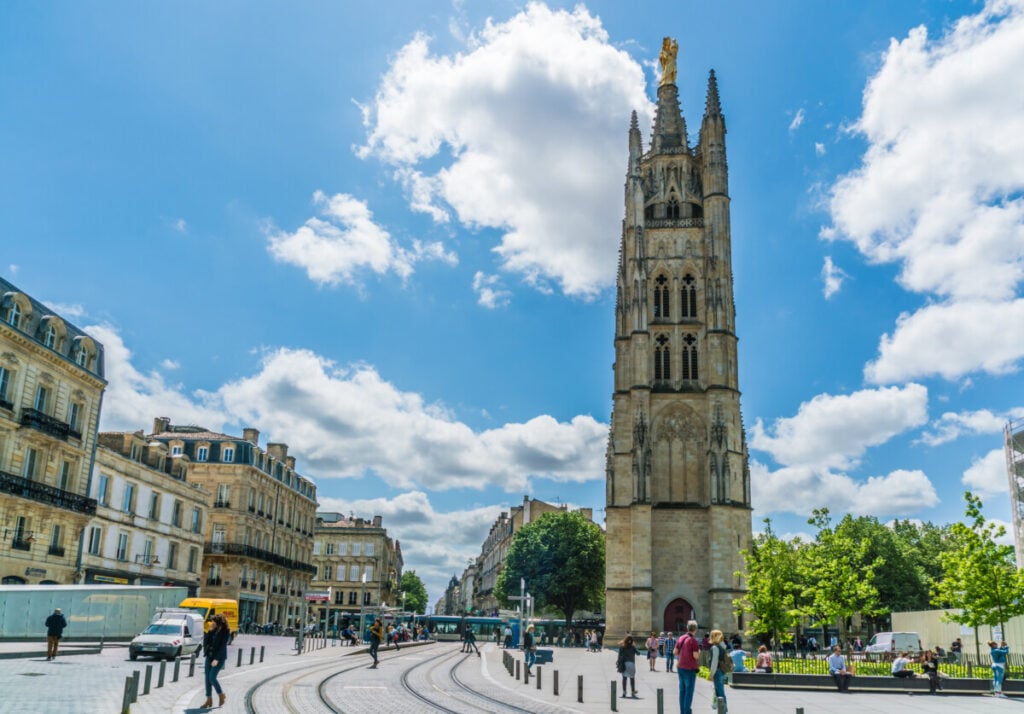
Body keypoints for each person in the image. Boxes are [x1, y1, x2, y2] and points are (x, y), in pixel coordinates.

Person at [202, 614, 230, 709]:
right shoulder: (212, 630)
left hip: (219, 658)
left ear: (218, 622)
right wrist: (209, 632)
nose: (212, 623)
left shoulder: (225, 631)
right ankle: (209, 699)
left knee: (212, 677)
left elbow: (223, 646)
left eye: (214, 621)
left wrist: (217, 659)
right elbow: (205, 643)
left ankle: (221, 695)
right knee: (207, 679)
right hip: (209, 657)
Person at [675, 620, 700, 714]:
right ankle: (686, 712)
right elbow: (696, 656)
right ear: (695, 629)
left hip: (680, 667)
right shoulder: (693, 640)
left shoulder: (681, 638)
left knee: (682, 691)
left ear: (687, 628)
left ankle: (683, 711)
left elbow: (675, 652)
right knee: (689, 692)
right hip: (689, 669)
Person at [708, 630, 730, 712]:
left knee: (720, 692)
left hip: (717, 672)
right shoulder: (722, 646)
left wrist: (711, 674)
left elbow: (714, 662)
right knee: (721, 692)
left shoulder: (715, 647)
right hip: (722, 671)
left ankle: (723, 711)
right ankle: (723, 710)